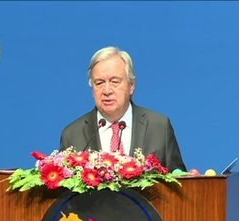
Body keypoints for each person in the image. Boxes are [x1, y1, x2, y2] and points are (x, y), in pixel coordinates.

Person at [59, 46, 187, 172]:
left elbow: (179, 183)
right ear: (92, 89)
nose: (107, 90)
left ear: (131, 86)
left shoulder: (159, 127)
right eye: (99, 83)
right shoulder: (72, 135)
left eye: (115, 81)